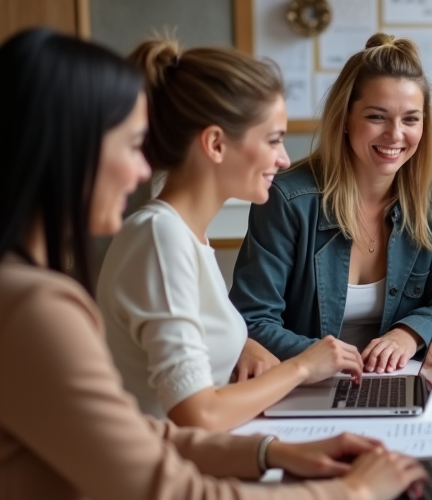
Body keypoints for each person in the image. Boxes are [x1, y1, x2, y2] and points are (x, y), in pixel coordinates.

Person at [0, 28, 426, 500]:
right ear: (70, 149)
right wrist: (350, 496)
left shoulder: (31, 291)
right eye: (130, 146)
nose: (138, 171)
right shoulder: (34, 306)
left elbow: (136, 433)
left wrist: (273, 453)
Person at [98, 39, 363, 430]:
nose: (284, 158)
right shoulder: (160, 237)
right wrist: (302, 367)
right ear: (216, 144)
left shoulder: (186, 236)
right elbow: (198, 414)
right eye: (273, 140)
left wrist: (244, 346)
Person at [230, 33, 432, 372]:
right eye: (376, 117)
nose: (395, 134)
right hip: (308, 382)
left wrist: (409, 334)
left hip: (398, 379)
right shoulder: (288, 199)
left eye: (411, 119)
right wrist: (327, 358)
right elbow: (251, 321)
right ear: (346, 120)